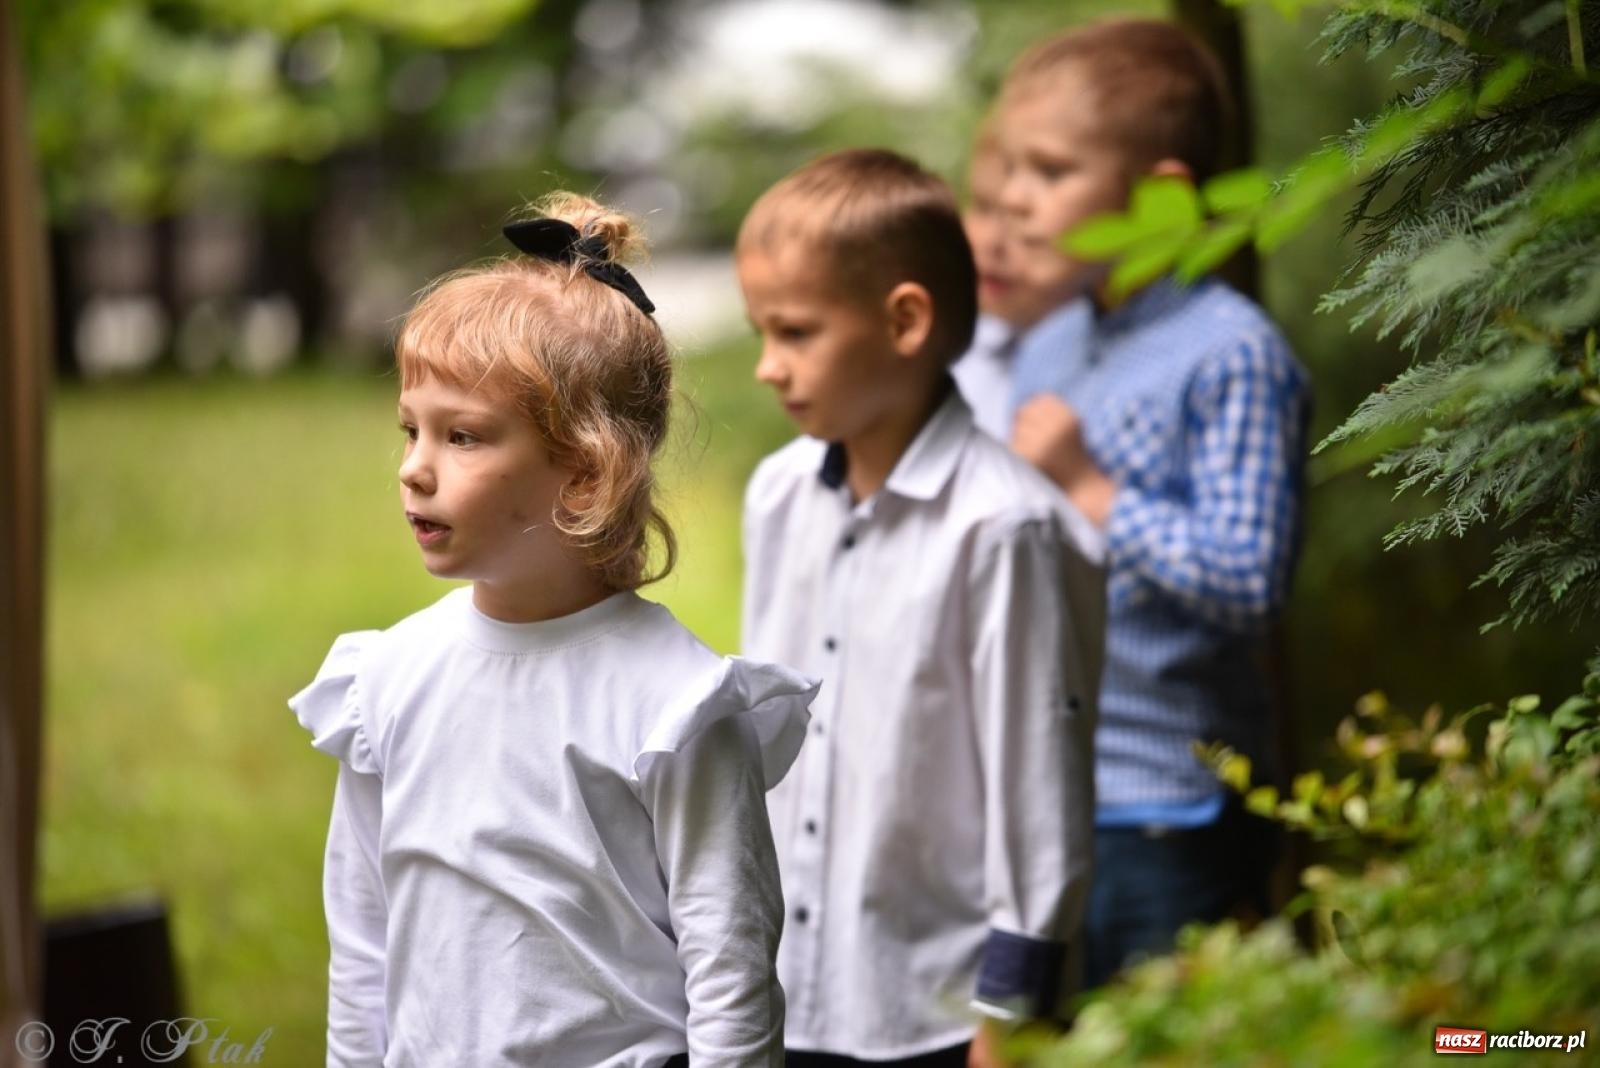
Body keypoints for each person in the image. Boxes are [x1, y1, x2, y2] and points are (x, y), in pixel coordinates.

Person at [288, 192, 818, 1067]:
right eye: (410, 430)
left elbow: (731, 971)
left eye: (463, 436)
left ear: (584, 474)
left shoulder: (673, 705)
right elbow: (363, 940)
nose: (415, 469)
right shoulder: (386, 682)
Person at [736, 148, 1103, 1067]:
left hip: (935, 1016)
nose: (766, 368)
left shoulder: (1003, 527)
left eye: (794, 333)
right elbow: (758, 739)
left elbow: (1038, 788)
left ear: (905, 321)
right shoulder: (777, 496)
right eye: (760, 334)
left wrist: (1009, 1017)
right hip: (789, 991)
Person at [992, 18, 1312, 988]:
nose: (1013, 197)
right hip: (1043, 800)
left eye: (1050, 172)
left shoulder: (1231, 352)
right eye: (1011, 169)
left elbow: (1250, 581)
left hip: (1171, 808)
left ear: (1161, 197)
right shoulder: (1044, 347)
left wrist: (1091, 488)